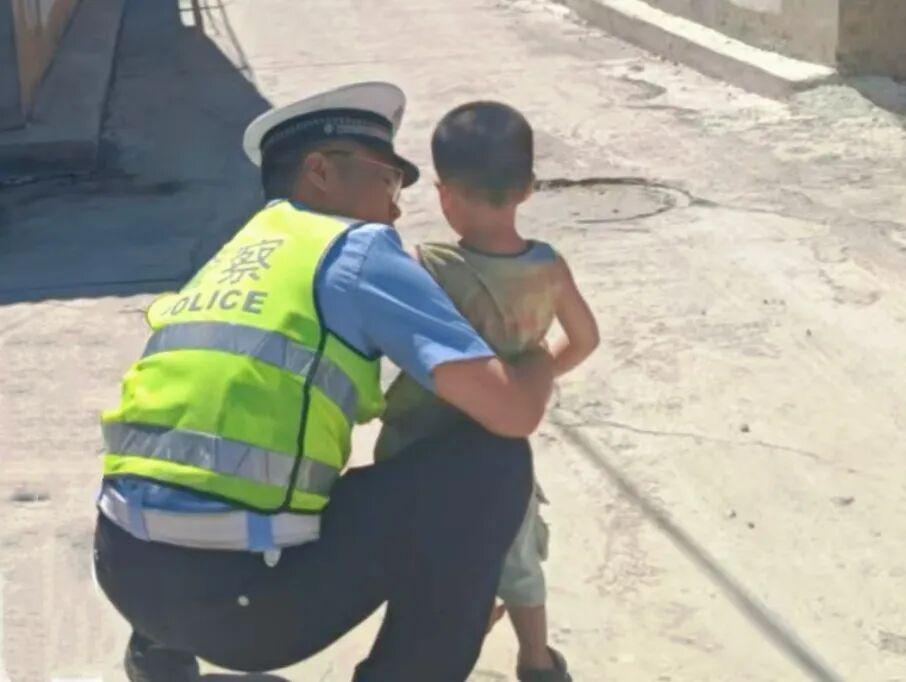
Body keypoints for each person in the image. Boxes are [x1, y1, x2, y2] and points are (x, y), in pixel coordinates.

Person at [92, 82, 556, 682]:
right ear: (319, 171)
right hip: (242, 612)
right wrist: (538, 359)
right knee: (491, 464)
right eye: (389, 181)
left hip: (123, 572)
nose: (396, 210)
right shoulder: (356, 249)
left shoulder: (239, 251)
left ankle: (157, 655)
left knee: (199, 466)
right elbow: (513, 411)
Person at [374, 101, 600, 682]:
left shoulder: (428, 264)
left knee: (424, 554)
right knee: (517, 557)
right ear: (527, 188)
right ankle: (537, 660)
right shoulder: (548, 268)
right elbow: (585, 338)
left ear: (444, 195)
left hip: (419, 442)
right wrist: (534, 373)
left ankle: (443, 636)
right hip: (501, 453)